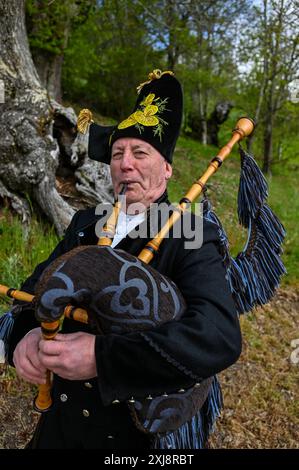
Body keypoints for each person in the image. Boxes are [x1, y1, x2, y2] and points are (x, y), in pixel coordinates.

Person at [7, 70, 242, 449]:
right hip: (59, 426)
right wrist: (27, 335)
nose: (125, 164)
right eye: (117, 154)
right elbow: (32, 292)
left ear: (166, 169)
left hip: (131, 437)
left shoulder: (189, 231)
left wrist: (103, 358)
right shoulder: (86, 222)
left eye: (140, 153)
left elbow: (217, 337)